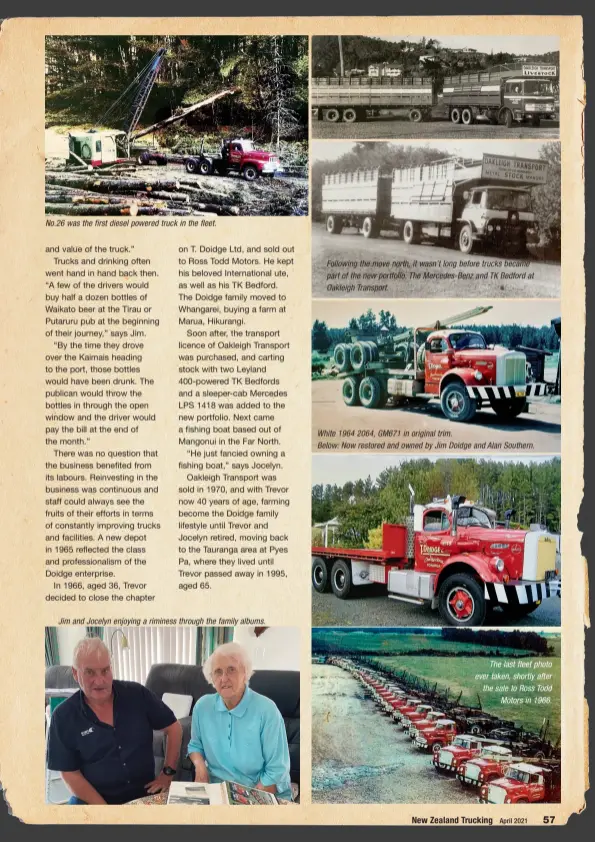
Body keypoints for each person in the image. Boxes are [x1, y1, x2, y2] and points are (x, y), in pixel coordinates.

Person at [47, 638, 183, 805]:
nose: (100, 681)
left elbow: (174, 728)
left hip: (144, 794)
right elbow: (69, 773)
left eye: (105, 671)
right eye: (89, 672)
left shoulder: (137, 694)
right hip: (94, 799)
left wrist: (167, 774)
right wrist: (106, 812)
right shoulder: (63, 716)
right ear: (76, 674)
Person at [188, 642, 292, 801]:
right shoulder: (202, 707)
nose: (224, 678)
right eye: (218, 672)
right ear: (211, 678)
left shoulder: (267, 710)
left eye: (231, 670)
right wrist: (200, 767)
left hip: (259, 789)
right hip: (218, 789)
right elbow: (195, 745)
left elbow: (276, 770)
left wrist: (248, 801)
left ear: (245, 673)